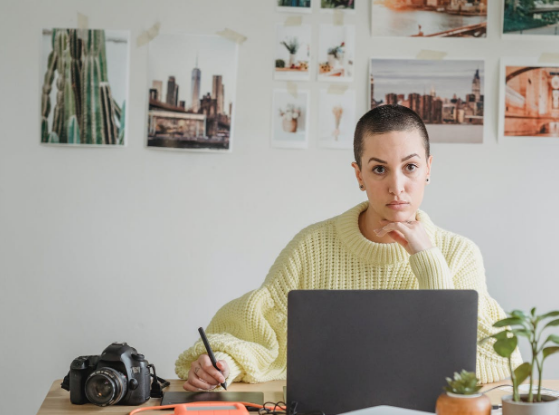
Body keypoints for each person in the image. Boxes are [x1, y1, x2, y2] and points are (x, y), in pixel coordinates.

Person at [175, 105, 521, 391]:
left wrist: (428, 259)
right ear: (359, 175)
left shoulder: (459, 253)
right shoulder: (313, 246)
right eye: (379, 169)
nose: (396, 187)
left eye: (411, 167)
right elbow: (262, 332)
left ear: (428, 169)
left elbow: (498, 359)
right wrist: (223, 363)